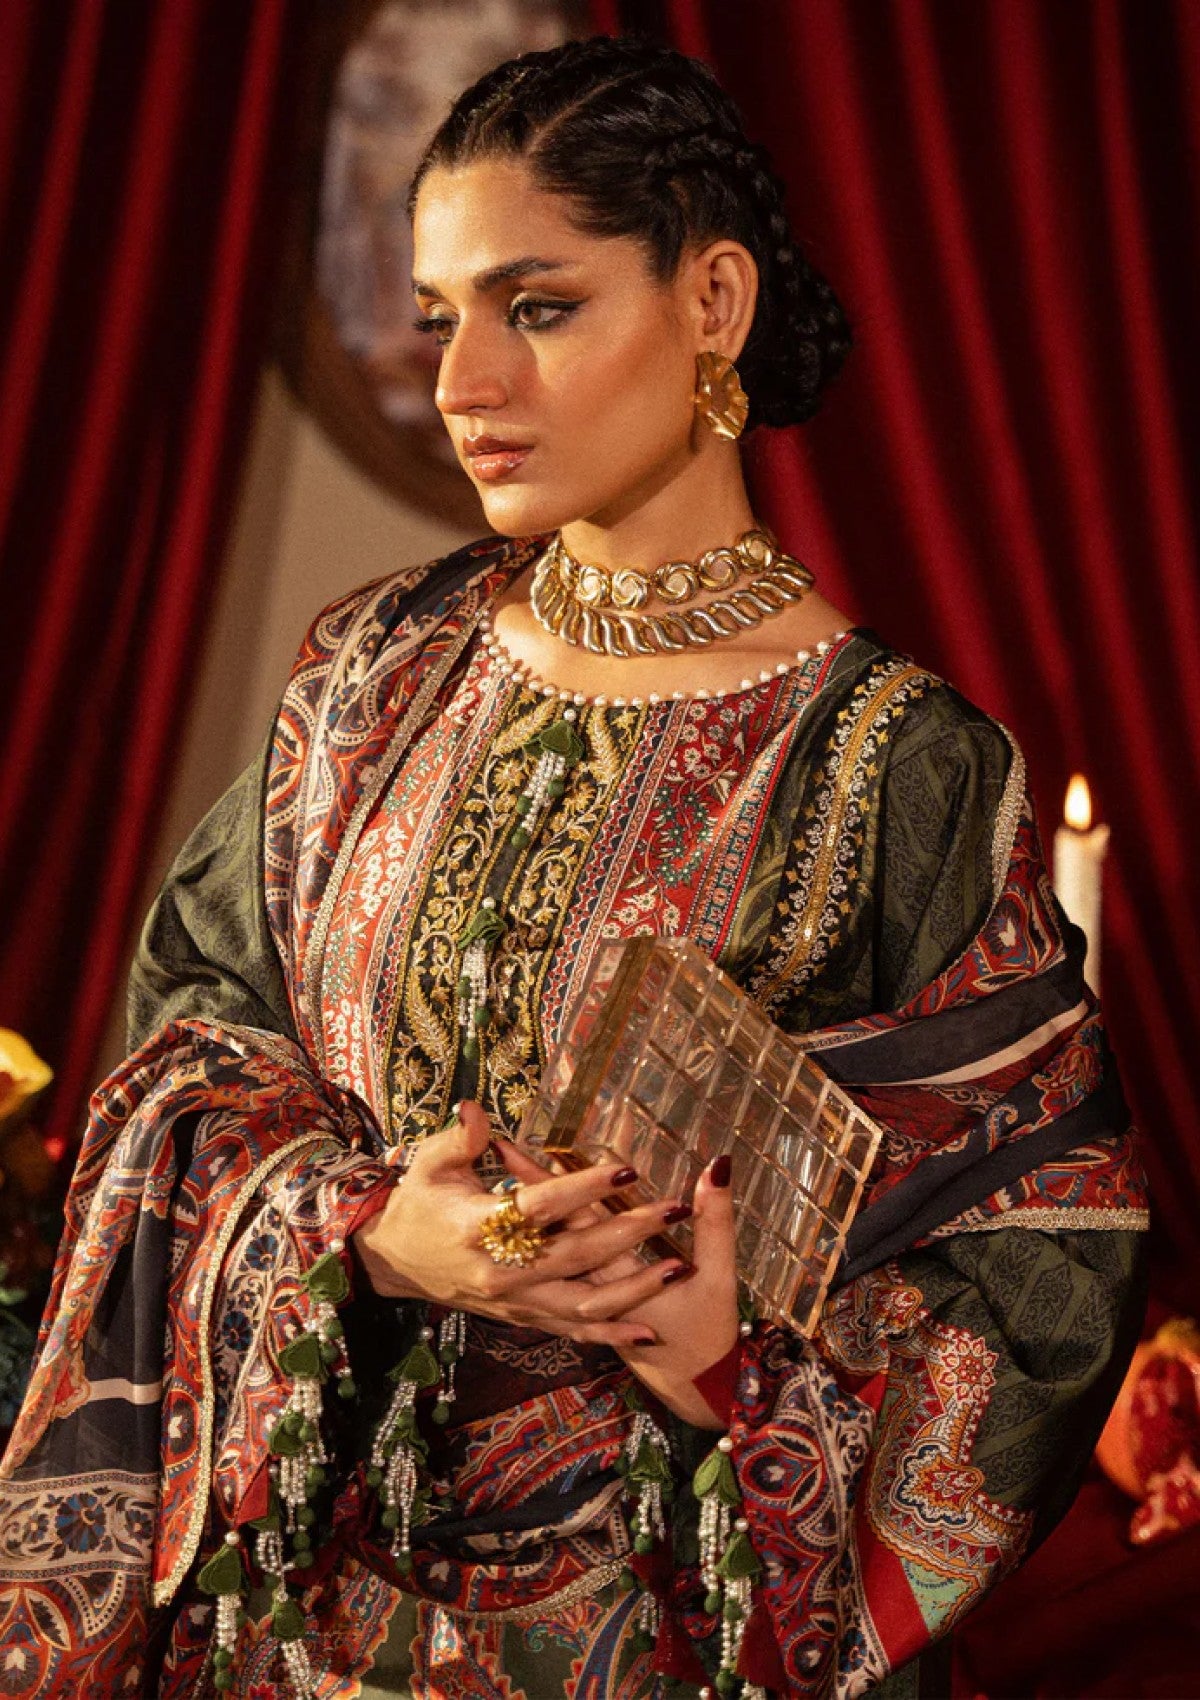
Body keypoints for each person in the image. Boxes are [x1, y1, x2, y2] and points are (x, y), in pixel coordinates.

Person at [0, 35, 1147, 1700]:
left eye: (536, 307)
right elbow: (194, 1046)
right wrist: (371, 1230)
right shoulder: (373, 677)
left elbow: (1043, 1244)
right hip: (292, 1625)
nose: (463, 383)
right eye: (439, 318)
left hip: (647, 1637)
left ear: (714, 302)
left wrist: (727, 1367)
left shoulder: (903, 766)